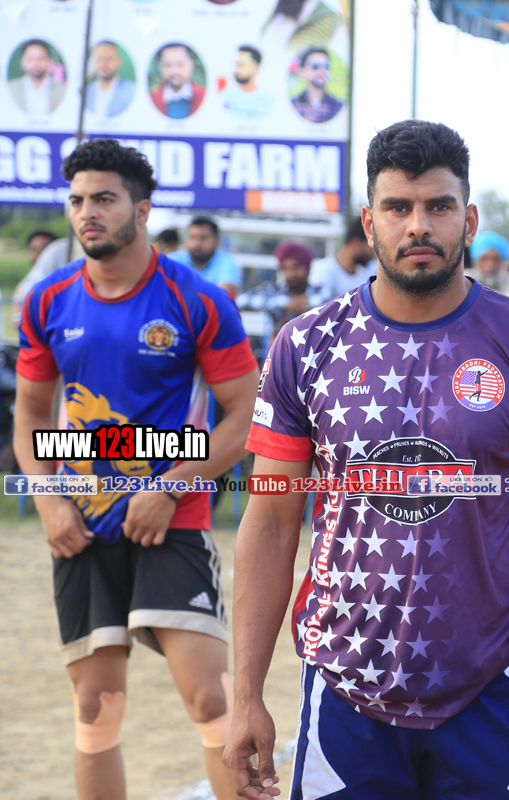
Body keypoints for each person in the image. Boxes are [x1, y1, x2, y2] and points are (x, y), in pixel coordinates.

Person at [224, 119, 509, 800]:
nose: (418, 225)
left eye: (438, 207)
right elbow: (271, 524)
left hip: (487, 686)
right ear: (370, 223)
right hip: (344, 691)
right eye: (398, 207)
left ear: (469, 220)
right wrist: (245, 695)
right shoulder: (305, 345)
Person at [13, 138, 258, 800]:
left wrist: (170, 489)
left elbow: (243, 416)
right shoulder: (46, 301)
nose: (86, 213)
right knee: (96, 711)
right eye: (76, 201)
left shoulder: (196, 299)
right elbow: (30, 414)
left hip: (172, 522)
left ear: (142, 209)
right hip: (81, 525)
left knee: (212, 700)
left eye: (103, 199)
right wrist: (49, 500)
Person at [236, 240, 331, 342]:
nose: (291, 273)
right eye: (286, 268)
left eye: (297, 267)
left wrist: (302, 305)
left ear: (308, 268)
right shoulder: (273, 290)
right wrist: (286, 303)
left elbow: (323, 301)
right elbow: (242, 300)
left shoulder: (319, 290)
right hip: (277, 348)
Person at [173, 217, 242, 296]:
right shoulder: (174, 259)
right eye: (192, 237)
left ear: (216, 241)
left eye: (203, 238)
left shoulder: (227, 262)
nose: (197, 243)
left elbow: (226, 295)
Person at [308, 217, 377, 297]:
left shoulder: (370, 270)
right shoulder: (322, 269)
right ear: (356, 243)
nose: (373, 253)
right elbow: (321, 302)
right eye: (371, 247)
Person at [10, 39, 67, 114]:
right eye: (30, 58)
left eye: (41, 58)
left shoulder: (62, 90)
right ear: (22, 62)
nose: (36, 63)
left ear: (49, 61)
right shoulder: (10, 89)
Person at [151, 43, 206, 119]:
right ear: (160, 67)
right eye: (168, 65)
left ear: (191, 65)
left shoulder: (206, 97)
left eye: (180, 64)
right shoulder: (151, 99)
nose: (175, 71)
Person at [464, 231, 509, 299]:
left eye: (496, 260)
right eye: (484, 259)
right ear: (476, 261)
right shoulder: (465, 278)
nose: (490, 264)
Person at [291, 46, 342, 123]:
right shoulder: (294, 105)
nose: (322, 71)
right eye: (315, 66)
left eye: (326, 66)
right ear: (302, 72)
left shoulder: (337, 106)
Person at [222, 45, 273, 121]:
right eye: (235, 64)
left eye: (241, 65)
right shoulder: (225, 96)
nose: (236, 69)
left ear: (256, 67)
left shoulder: (269, 101)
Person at [86, 41, 135, 118]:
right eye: (99, 59)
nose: (103, 64)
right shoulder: (85, 92)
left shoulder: (132, 91)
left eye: (108, 59)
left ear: (118, 62)